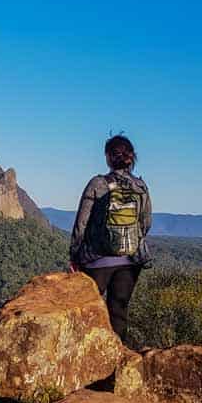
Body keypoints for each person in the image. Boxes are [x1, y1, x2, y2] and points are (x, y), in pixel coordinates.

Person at [69, 135, 152, 341]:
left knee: (87, 311)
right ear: (131, 158)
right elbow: (145, 223)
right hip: (130, 260)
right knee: (118, 311)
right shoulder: (140, 187)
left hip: (97, 260)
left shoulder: (97, 184)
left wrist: (75, 255)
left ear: (108, 157)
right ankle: (116, 364)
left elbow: (82, 223)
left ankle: (88, 360)